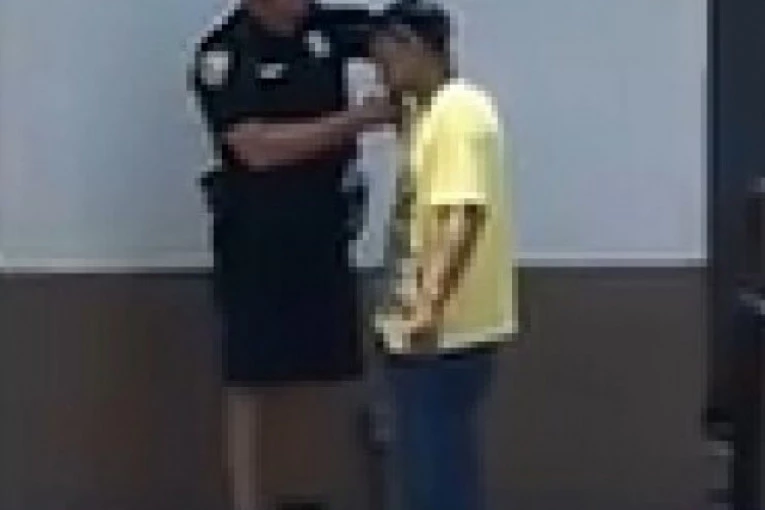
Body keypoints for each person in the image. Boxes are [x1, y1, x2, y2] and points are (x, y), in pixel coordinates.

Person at [187, 1, 398, 509]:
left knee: (336, 367)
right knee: (251, 374)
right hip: (258, 238)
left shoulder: (325, 27)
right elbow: (255, 148)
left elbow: (400, 38)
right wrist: (359, 119)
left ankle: (332, 491)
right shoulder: (224, 54)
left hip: (326, 232)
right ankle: (250, 500)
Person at [369, 2, 518, 510]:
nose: (380, 72)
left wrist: (428, 309)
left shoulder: (458, 112)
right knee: (424, 469)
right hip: (422, 330)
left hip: (445, 334)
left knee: (438, 475)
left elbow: (462, 217)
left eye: (386, 58)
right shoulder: (430, 113)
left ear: (414, 46)